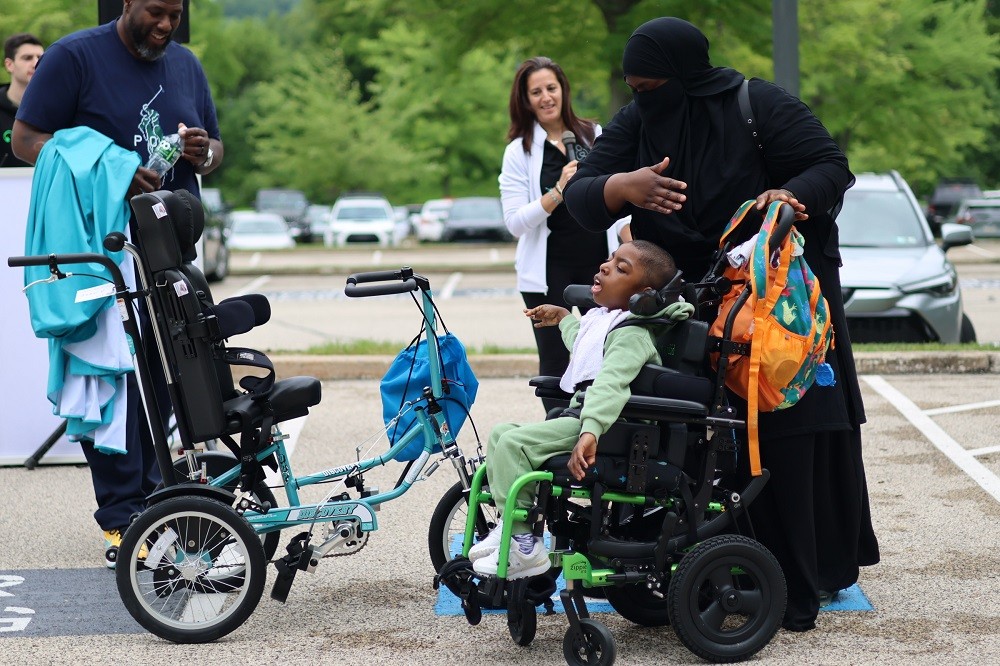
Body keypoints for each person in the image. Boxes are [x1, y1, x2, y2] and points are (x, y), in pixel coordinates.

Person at [563, 17, 879, 632]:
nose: (642, 97)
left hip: (773, 298)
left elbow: (830, 166)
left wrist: (786, 196)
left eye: (653, 85)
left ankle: (794, 575)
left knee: (781, 425)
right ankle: (702, 556)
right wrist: (624, 185)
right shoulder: (636, 121)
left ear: (686, 75)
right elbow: (579, 200)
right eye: (633, 87)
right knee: (700, 429)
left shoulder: (755, 103)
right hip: (690, 298)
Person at [12, 0, 223, 568]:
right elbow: (26, 140)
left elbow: (217, 149)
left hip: (167, 249)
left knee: (169, 377)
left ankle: (162, 500)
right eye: (155, 12)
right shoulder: (73, 57)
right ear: (127, 2)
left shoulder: (185, 64)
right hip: (100, 252)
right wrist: (107, 166)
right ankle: (122, 516)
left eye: (174, 16)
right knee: (108, 379)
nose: (165, 25)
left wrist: (204, 154)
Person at [470, 240, 693, 579]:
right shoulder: (610, 322)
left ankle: (524, 543)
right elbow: (585, 348)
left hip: (609, 427)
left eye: (621, 268)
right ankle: (510, 527)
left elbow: (610, 385)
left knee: (515, 445)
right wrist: (562, 318)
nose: (605, 267)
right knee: (502, 432)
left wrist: (590, 432)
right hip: (589, 419)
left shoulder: (633, 336)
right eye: (609, 260)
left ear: (643, 294)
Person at [499, 56, 631, 414]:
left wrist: (633, 248)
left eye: (551, 88)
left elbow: (617, 202)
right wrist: (558, 191)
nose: (546, 97)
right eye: (536, 92)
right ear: (525, 100)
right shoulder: (519, 151)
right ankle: (556, 432)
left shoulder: (595, 135)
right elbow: (514, 223)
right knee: (556, 364)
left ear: (563, 90)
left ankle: (595, 438)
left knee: (601, 354)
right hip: (546, 273)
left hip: (598, 267)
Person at [0, 33, 43, 167]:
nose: (35, 63)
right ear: (9, 65)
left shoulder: (57, 108)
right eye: (27, 58)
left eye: (40, 58)